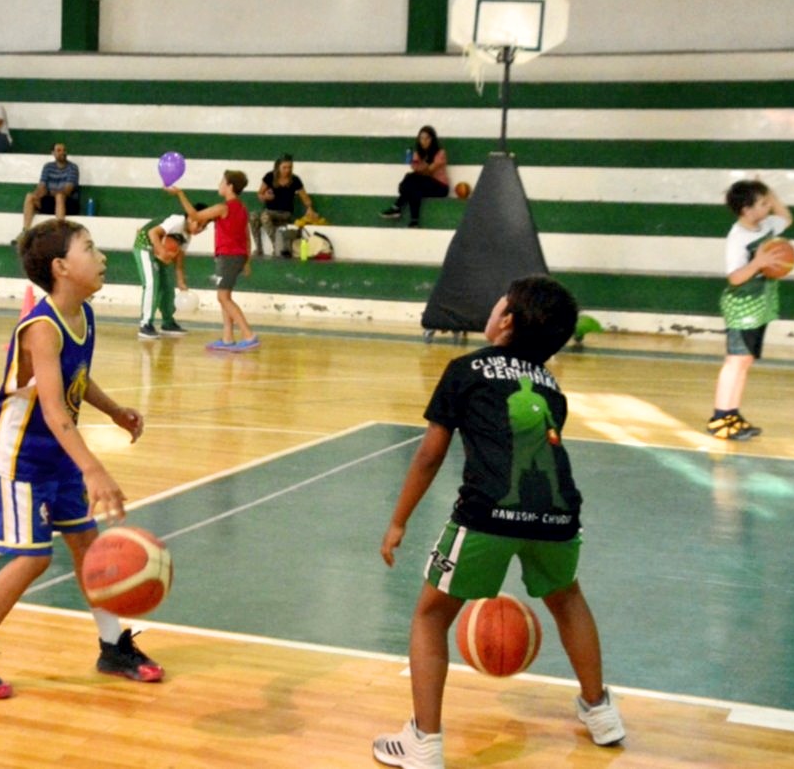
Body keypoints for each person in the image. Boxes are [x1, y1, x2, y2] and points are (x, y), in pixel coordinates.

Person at [374, 275, 625, 769]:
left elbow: (429, 454)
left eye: (498, 302)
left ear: (505, 320)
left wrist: (398, 520)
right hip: (559, 513)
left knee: (430, 616)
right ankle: (601, 713)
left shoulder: (465, 368)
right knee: (567, 598)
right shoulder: (552, 386)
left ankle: (423, 742)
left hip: (487, 511)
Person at [0, 219, 159, 699]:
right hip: (23, 456)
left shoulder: (84, 313)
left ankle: (111, 646)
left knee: (86, 544)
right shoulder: (42, 326)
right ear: (61, 267)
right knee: (31, 558)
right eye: (90, 248)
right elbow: (55, 409)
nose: (102, 257)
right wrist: (94, 467)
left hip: (57, 451)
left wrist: (114, 409)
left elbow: (76, 380)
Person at [708, 180, 793, 441]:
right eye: (762, 204)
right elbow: (734, 278)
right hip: (743, 306)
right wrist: (758, 262)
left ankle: (732, 413)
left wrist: (768, 191)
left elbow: (786, 217)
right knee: (735, 361)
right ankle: (720, 418)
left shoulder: (765, 225)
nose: (769, 207)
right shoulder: (738, 238)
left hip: (760, 305)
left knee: (744, 361)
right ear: (746, 210)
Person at [169, 172, 258, 352]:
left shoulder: (222, 208)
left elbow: (194, 215)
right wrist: (247, 259)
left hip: (228, 257)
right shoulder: (242, 208)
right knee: (226, 297)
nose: (219, 185)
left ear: (230, 186)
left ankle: (249, 335)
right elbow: (247, 236)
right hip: (236, 256)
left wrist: (180, 194)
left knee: (222, 297)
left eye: (222, 182)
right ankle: (227, 338)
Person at [133, 205, 207, 339]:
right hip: (145, 247)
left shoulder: (187, 236)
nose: (200, 229)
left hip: (160, 252)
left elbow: (179, 259)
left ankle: (167, 322)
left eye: (204, 227)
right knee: (152, 284)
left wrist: (180, 280)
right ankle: (145, 324)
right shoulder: (177, 221)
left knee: (167, 285)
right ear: (191, 217)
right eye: (200, 224)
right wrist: (162, 252)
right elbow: (152, 233)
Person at [380, 125, 450, 227]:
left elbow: (429, 171)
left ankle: (397, 207)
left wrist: (419, 167)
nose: (424, 141)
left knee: (411, 179)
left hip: (440, 186)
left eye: (427, 138)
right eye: (421, 138)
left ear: (432, 139)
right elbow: (416, 168)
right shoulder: (418, 153)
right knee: (414, 188)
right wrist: (416, 167)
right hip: (424, 184)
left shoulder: (440, 153)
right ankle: (414, 221)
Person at [252, 153, 315, 257]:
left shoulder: (295, 180)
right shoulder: (269, 176)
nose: (287, 170)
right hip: (269, 210)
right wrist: (265, 197)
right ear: (278, 167)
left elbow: (305, 197)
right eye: (284, 167)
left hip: (285, 213)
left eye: (290, 167)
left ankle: (277, 246)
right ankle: (258, 248)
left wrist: (309, 208)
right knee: (253, 216)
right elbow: (259, 194)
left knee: (265, 217)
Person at [20, 143, 80, 232]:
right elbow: (41, 187)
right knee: (30, 196)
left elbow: (67, 191)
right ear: (53, 153)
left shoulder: (72, 167)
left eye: (64, 150)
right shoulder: (47, 167)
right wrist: (37, 195)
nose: (63, 152)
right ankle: (25, 231)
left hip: (68, 203)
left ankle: (60, 231)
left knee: (59, 196)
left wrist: (48, 192)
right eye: (59, 150)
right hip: (50, 201)